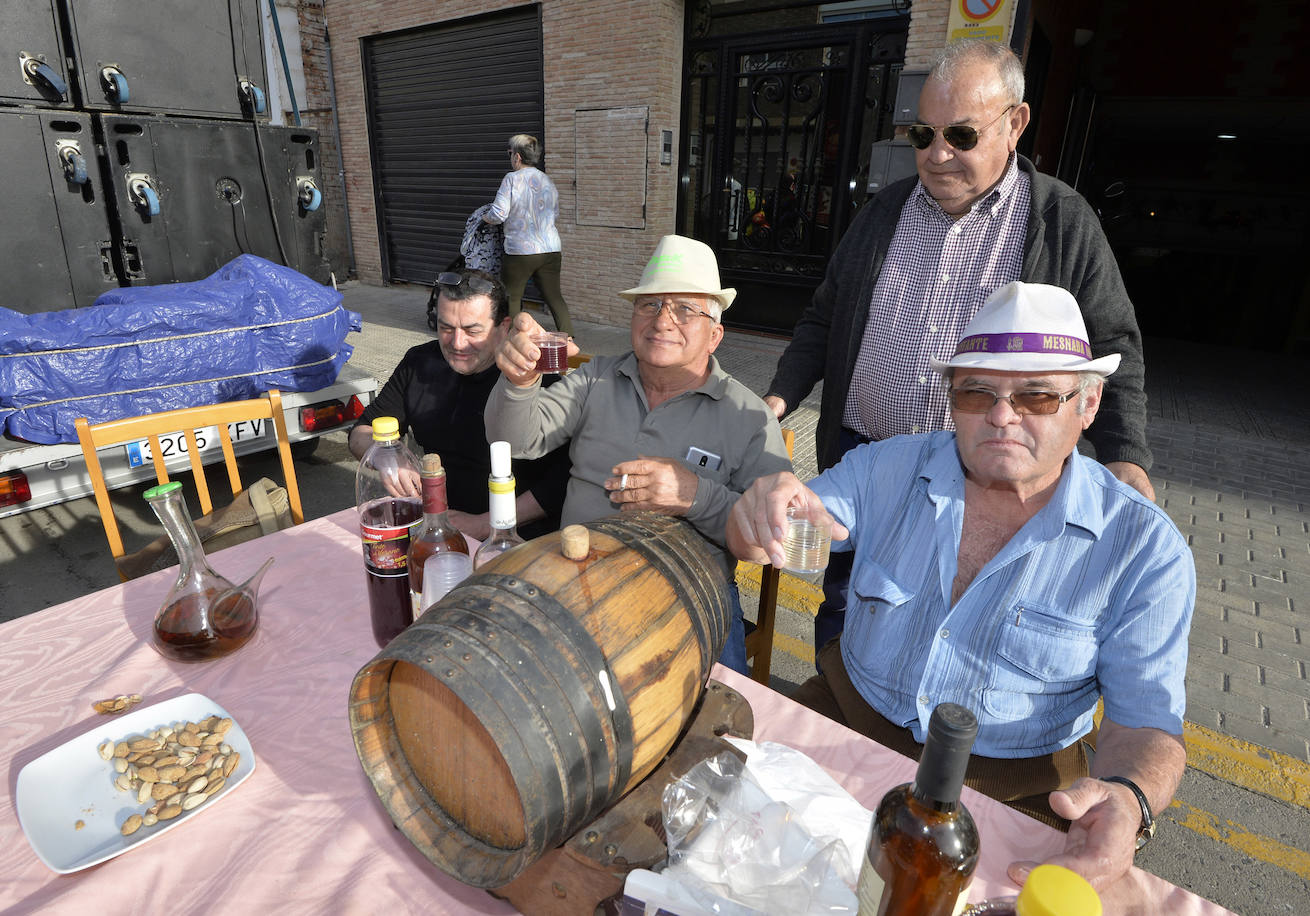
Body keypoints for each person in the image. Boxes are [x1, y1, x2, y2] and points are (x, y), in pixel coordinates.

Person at [728, 282, 1195, 894]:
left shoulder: (1143, 549)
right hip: (846, 716)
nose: (1002, 415)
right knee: (734, 865)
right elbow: (808, 519)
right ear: (951, 399)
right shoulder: (886, 466)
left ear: (1088, 404)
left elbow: (1143, 724)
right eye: (978, 391)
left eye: (1036, 396)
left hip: (1016, 781)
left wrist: (1130, 799)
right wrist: (764, 510)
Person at [761, 39, 1156, 656]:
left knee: (959, 621)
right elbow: (823, 317)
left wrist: (1125, 453)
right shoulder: (883, 212)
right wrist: (781, 394)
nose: (937, 154)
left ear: (1015, 123)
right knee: (849, 604)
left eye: (962, 136)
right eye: (923, 134)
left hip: (985, 475)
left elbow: (1112, 345)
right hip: (866, 456)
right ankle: (843, 715)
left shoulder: (1061, 223)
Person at [485, 235, 792, 673]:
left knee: (715, 726)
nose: (662, 320)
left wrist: (694, 496)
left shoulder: (750, 417)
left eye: (685, 309)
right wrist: (519, 382)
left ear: (715, 335)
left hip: (687, 597)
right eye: (649, 304)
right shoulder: (596, 378)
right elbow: (517, 440)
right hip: (577, 577)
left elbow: (767, 544)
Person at [348, 269, 568, 540]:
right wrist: (385, 456)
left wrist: (487, 524)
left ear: (503, 327)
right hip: (435, 524)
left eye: (472, 330)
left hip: (517, 535)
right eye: (446, 328)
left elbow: (563, 480)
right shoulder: (419, 362)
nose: (457, 343)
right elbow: (361, 431)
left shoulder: (532, 378)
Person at [482, 134, 573, 336]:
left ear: (517, 157)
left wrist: (485, 219)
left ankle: (515, 339)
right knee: (554, 297)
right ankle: (569, 339)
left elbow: (499, 213)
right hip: (551, 249)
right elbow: (554, 212)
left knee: (511, 297)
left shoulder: (512, 179)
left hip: (521, 251)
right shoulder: (547, 180)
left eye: (510, 153)